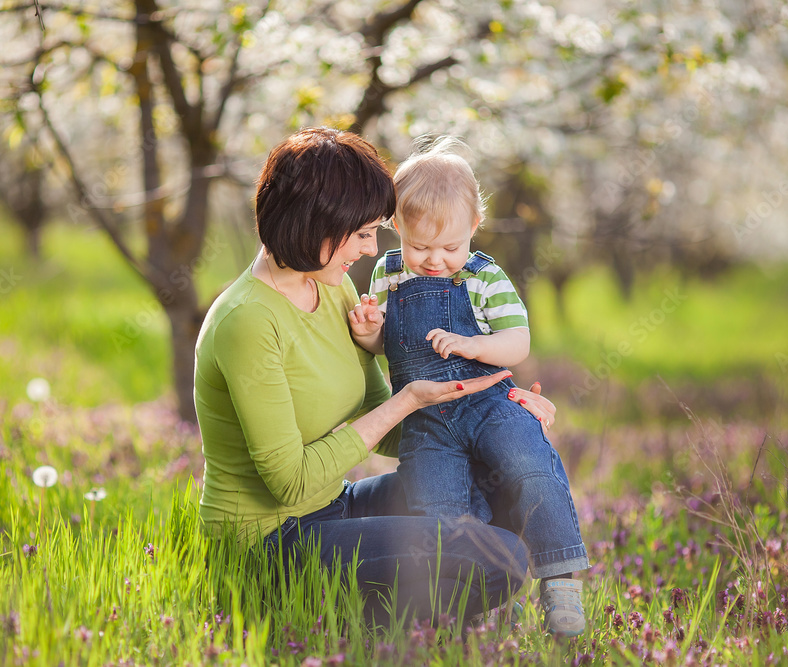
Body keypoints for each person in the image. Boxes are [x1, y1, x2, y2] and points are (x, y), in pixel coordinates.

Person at [193, 127, 557, 628]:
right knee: (499, 558)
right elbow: (289, 481)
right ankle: (325, 624)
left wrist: (499, 422)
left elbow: (375, 415)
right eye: (363, 233)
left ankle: (365, 620)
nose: (371, 250)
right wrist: (407, 400)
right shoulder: (248, 322)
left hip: (333, 508)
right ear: (318, 223)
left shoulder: (334, 286)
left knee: (504, 476)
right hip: (269, 544)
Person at [347, 137, 589, 636]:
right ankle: (473, 606)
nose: (435, 260)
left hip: (488, 405)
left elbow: (517, 341)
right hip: (426, 423)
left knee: (529, 464)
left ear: (474, 227)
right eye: (419, 247)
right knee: (439, 513)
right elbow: (382, 346)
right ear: (396, 227)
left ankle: (559, 575)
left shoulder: (484, 276)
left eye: (450, 247)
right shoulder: (387, 274)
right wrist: (370, 330)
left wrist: (472, 346)